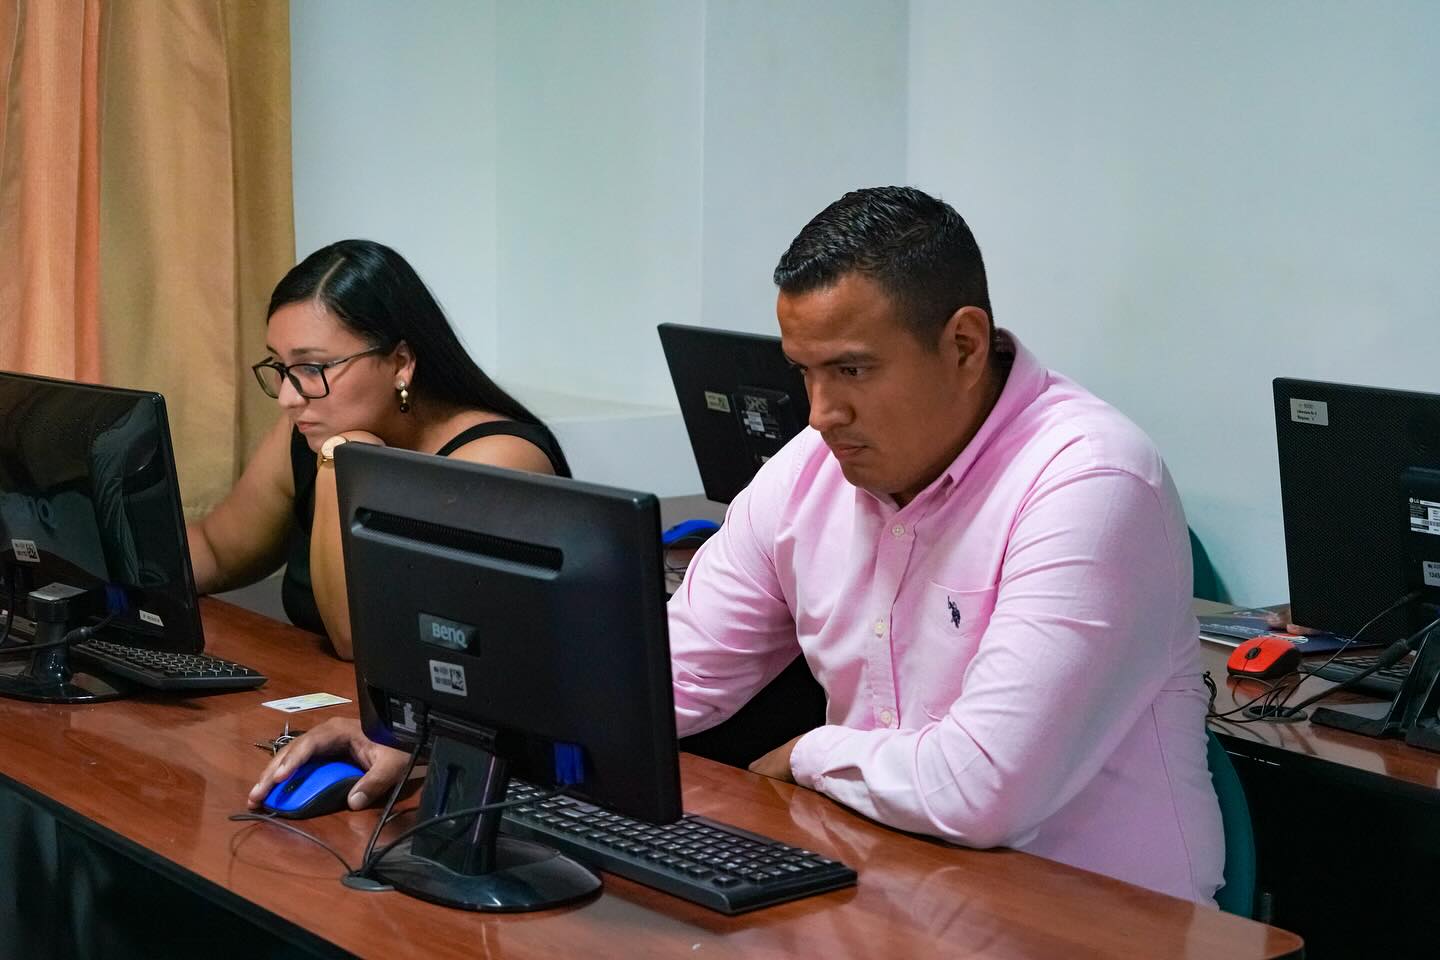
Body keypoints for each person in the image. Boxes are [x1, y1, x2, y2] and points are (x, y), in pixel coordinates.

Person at [248, 190, 1222, 904]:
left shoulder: (1090, 484)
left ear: (965, 344)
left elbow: (985, 793)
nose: (822, 412)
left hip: (1092, 920)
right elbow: (655, 683)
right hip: (896, 889)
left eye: (852, 371)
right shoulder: (811, 469)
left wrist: (813, 753)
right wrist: (415, 731)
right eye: (803, 372)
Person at [189, 240, 568, 659]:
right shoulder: (311, 424)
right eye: (281, 367)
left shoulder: (498, 458)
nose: (288, 398)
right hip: (346, 708)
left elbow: (361, 639)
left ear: (400, 362)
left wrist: (341, 462)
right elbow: (215, 552)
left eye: (312, 368)